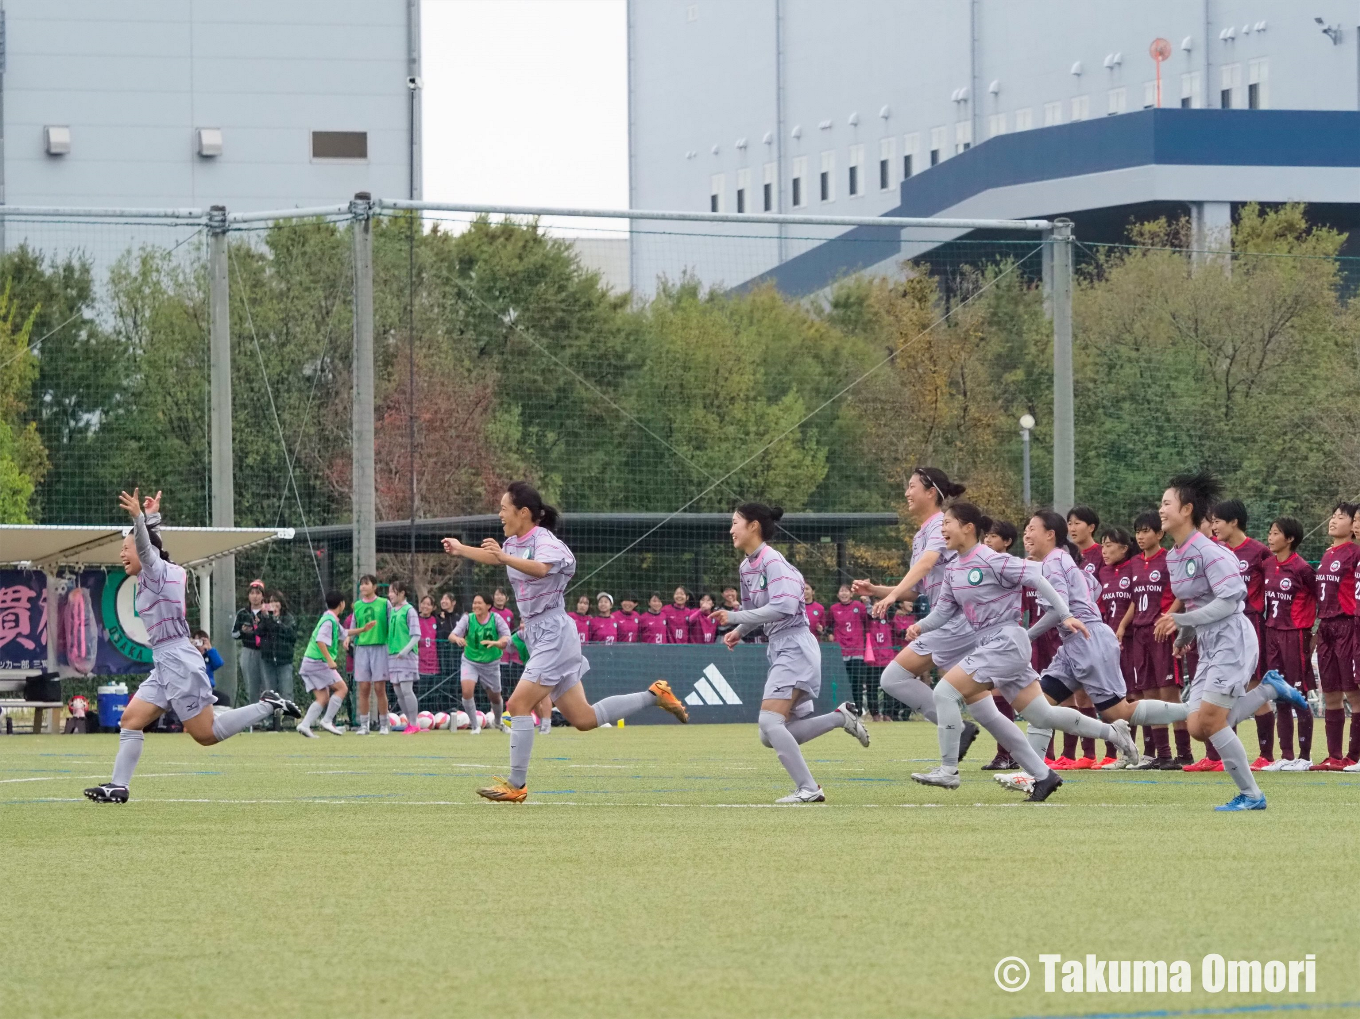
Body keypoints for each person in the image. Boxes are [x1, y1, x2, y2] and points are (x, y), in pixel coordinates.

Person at [442, 481, 689, 801]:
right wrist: (462, 549)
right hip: (537, 634)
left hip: (554, 633)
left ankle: (516, 786)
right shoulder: (513, 544)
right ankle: (655, 695)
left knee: (517, 704)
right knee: (584, 719)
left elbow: (541, 568)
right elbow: (497, 558)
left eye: (504, 508)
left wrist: (503, 557)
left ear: (524, 512)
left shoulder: (545, 541)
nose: (500, 514)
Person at [85, 489, 299, 803]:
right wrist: (153, 518)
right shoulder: (159, 573)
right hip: (166, 660)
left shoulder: (154, 572)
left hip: (179, 661)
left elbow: (147, 549)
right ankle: (119, 785)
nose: (122, 554)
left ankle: (267, 705)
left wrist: (139, 520)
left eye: (126, 548)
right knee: (130, 720)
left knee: (205, 734)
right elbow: (152, 546)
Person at [905, 502, 1091, 802]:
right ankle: (1046, 775)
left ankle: (948, 770)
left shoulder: (991, 559)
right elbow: (941, 613)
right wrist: (921, 627)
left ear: (968, 527)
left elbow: (1037, 578)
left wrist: (1066, 613)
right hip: (992, 645)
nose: (943, 529)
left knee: (944, 693)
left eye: (948, 523)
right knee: (1038, 713)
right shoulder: (953, 569)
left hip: (1006, 641)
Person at [1152, 471, 1306, 810]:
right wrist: (1186, 634)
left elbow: (1229, 601)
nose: (1160, 510)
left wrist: (1180, 620)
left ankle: (1252, 795)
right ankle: (1269, 690)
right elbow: (1197, 602)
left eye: (1166, 503)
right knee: (1197, 726)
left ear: (1187, 509)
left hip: (1233, 638)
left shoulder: (1212, 552)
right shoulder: (1175, 556)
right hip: (1208, 642)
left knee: (1209, 721)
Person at [709, 502, 869, 803]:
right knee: (769, 734)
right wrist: (738, 630)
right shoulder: (746, 566)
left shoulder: (773, 561)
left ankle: (809, 789)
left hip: (795, 645)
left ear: (753, 526)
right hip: (780, 647)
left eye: (734, 522)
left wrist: (734, 619)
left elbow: (782, 607)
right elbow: (753, 610)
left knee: (770, 724)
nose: (730, 529)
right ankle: (840, 718)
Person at [851, 466, 979, 758]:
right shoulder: (922, 533)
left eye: (912, 486)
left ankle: (956, 735)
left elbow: (924, 565)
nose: (907, 493)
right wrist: (877, 590)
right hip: (951, 619)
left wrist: (892, 595)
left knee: (892, 678)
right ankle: (1015, 756)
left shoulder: (938, 526)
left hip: (954, 619)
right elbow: (918, 588)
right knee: (985, 701)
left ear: (931, 492)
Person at [1008, 511, 1141, 775]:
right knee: (1039, 706)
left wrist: (1028, 635)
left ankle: (1191, 710)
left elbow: (1061, 610)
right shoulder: (1061, 560)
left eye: (1032, 528)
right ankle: (1033, 773)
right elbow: (1093, 588)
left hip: (1088, 640)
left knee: (1119, 710)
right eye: (1026, 528)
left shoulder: (1053, 562)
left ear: (1050, 534)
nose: (1026, 534)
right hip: (1074, 644)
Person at [1118, 513, 1189, 769]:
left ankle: (1185, 753)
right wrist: (1123, 625)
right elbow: (1137, 600)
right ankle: (1163, 755)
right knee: (1148, 695)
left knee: (1169, 695)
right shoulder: (1135, 562)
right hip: (1140, 634)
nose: (1140, 536)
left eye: (1146, 530)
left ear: (1159, 534)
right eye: (1138, 531)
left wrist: (1169, 618)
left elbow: (1181, 593)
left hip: (1162, 632)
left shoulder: (1170, 559)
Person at [1209, 499, 1273, 770]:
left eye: (1217, 521)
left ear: (1233, 522)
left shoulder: (1259, 552)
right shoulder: (1215, 552)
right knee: (1223, 689)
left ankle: (1266, 755)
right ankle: (1228, 756)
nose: (1213, 527)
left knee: (1253, 685)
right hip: (1219, 627)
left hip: (1250, 624)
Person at [1259, 516, 1318, 771]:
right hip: (1271, 634)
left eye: (1275, 533)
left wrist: (1314, 633)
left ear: (1290, 539)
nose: (1270, 538)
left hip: (1295, 635)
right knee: (1279, 695)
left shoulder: (1302, 568)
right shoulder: (1266, 565)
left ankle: (1304, 757)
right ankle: (1286, 755)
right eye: (1270, 533)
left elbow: (1322, 598)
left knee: (1298, 694)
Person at [1314, 503, 1360, 770]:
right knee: (1330, 692)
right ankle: (1334, 756)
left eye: (1341, 517)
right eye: (1332, 516)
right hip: (1326, 626)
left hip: (1346, 625)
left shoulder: (1355, 553)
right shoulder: (1328, 553)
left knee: (1353, 693)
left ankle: (1353, 756)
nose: (1333, 521)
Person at [450, 592, 512, 733]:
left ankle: (498, 721)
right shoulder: (468, 619)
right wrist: (457, 639)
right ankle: (475, 725)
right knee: (467, 691)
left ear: (488, 606)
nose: (475, 606)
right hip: (470, 661)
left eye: (479, 603)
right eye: (474, 603)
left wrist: (496, 643)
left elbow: (506, 638)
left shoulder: (496, 619)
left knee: (495, 697)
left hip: (491, 663)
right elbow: (452, 635)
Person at [297, 591, 349, 738]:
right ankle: (327, 721)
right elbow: (320, 641)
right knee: (342, 688)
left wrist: (363, 630)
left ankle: (304, 725)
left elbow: (345, 633)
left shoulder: (331, 619)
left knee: (323, 697)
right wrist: (330, 660)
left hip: (309, 662)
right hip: (317, 662)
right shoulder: (329, 621)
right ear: (342, 604)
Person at [348, 574, 390, 735]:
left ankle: (384, 724)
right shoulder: (357, 605)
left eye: (366, 584)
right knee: (363, 687)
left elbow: (390, 624)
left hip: (380, 647)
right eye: (361, 584)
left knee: (380, 687)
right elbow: (353, 625)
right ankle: (364, 724)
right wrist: (348, 638)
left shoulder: (384, 604)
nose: (363, 587)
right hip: (362, 649)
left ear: (374, 586)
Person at [385, 580, 423, 734]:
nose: (390, 595)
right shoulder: (392, 611)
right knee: (398, 692)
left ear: (401, 593)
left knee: (407, 689)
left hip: (406, 657)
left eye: (393, 592)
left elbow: (416, 635)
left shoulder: (410, 611)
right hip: (393, 656)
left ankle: (414, 723)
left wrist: (405, 651)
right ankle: (410, 723)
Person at [256, 589, 297, 717]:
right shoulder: (265, 618)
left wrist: (274, 620)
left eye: (276, 601)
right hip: (268, 659)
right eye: (271, 602)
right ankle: (270, 720)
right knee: (269, 692)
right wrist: (264, 618)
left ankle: (288, 719)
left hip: (284, 659)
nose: (273, 604)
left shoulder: (288, 618)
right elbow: (259, 632)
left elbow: (289, 634)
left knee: (286, 691)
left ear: (281, 603)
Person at [828, 584, 868, 713]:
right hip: (841, 650)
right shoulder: (834, 609)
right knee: (841, 682)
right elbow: (828, 625)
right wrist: (829, 634)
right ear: (837, 594)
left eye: (846, 591)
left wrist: (867, 603)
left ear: (851, 594)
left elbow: (869, 619)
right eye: (841, 591)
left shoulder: (858, 606)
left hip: (856, 650)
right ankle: (843, 709)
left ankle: (858, 710)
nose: (844, 594)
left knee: (857, 682)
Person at [231, 579, 267, 705]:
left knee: (266, 684)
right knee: (251, 685)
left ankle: (268, 716)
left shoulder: (268, 611)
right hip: (249, 651)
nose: (255, 596)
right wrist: (242, 631)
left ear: (263, 595)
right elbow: (233, 634)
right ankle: (254, 717)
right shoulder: (243, 613)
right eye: (252, 593)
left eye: (258, 593)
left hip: (265, 651)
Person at [863, 596, 893, 721]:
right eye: (876, 606)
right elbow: (870, 613)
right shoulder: (868, 620)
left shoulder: (889, 617)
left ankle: (887, 714)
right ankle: (875, 714)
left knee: (890, 687)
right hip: (873, 660)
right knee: (872, 687)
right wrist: (867, 603)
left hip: (888, 659)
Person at [1067, 505, 1104, 579]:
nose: (1072, 529)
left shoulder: (1103, 554)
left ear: (1091, 528)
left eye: (1077, 523)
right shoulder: (1067, 555)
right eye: (1070, 524)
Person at [417, 594, 440, 687]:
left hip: (434, 663)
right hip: (419, 663)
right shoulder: (414, 620)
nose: (425, 606)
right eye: (424, 603)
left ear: (433, 607)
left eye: (429, 604)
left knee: (433, 695)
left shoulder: (437, 620)